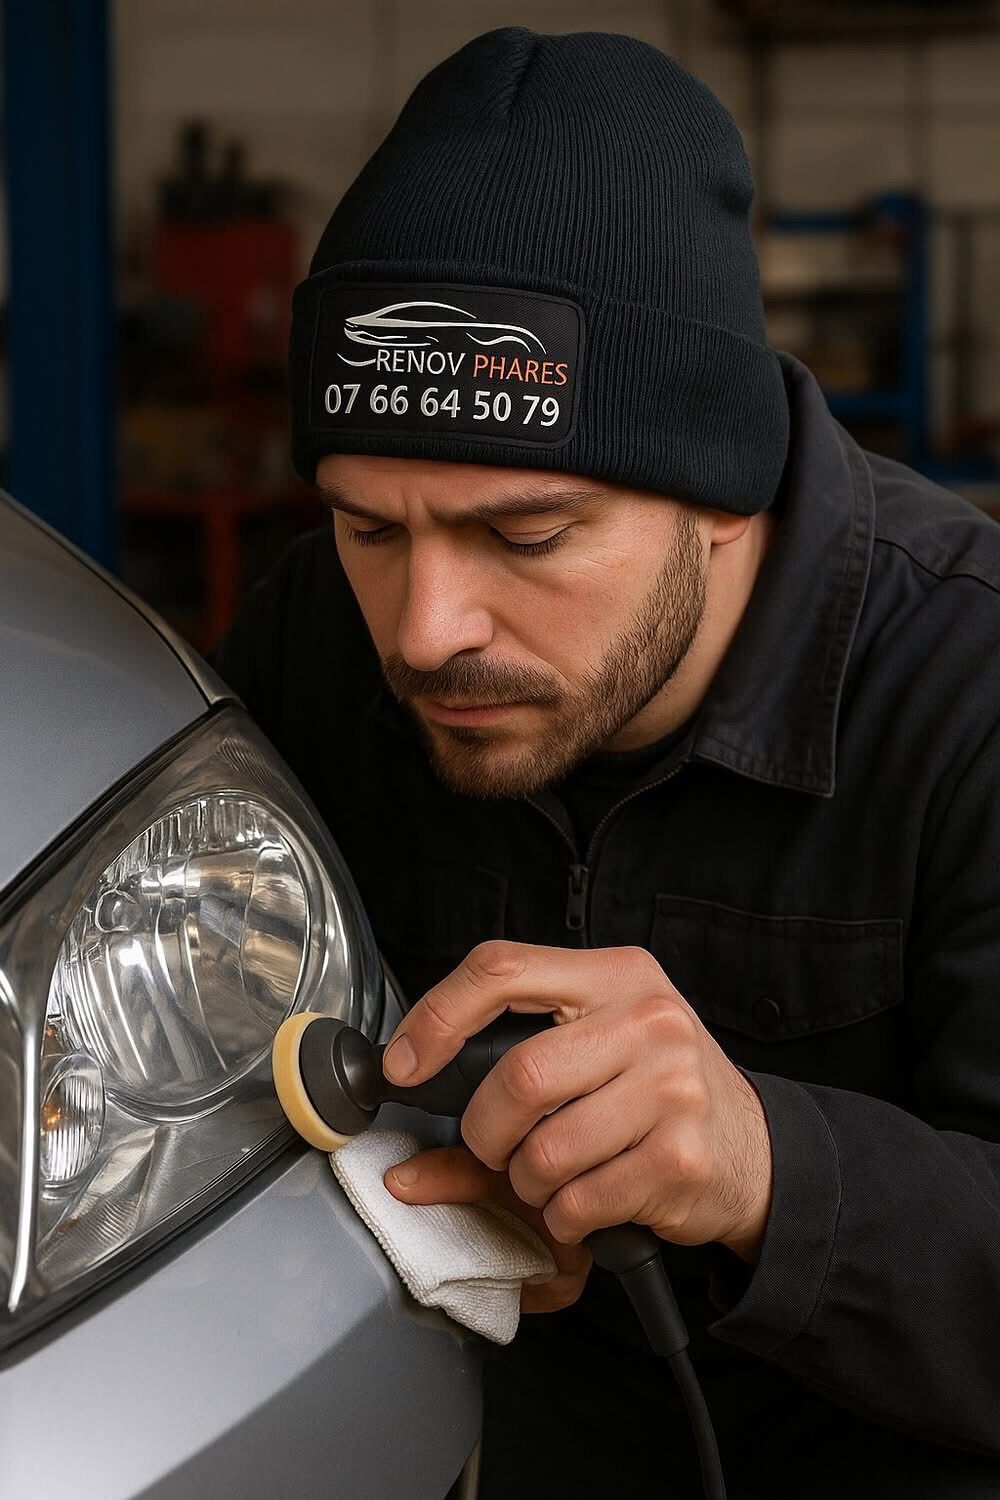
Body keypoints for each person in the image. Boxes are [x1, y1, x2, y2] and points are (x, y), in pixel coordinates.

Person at [213, 27, 1000, 1499]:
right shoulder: (315, 645)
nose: (429, 632)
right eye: (369, 528)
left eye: (526, 538)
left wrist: (769, 1170)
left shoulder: (967, 698)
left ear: (724, 492)